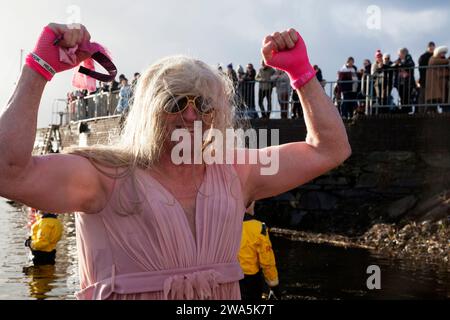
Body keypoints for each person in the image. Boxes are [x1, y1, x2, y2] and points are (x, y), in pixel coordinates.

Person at [0, 23, 351, 300]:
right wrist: (39, 68)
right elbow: (8, 173)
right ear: (149, 113)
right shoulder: (104, 176)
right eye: (174, 103)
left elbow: (329, 150)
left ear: (218, 115)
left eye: (203, 104)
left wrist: (302, 74)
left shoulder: (236, 172)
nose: (190, 115)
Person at [238, 202, 280, 300]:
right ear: (249, 206)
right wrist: (274, 285)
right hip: (250, 280)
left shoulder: (221, 226)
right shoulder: (259, 227)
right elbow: (267, 261)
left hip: (226, 277)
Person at [418, 41, 436, 110]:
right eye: (430, 47)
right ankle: (422, 111)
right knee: (423, 96)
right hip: (424, 79)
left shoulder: (435, 56)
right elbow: (421, 69)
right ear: (428, 48)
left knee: (432, 96)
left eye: (433, 47)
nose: (432, 48)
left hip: (433, 80)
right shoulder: (423, 57)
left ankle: (432, 110)